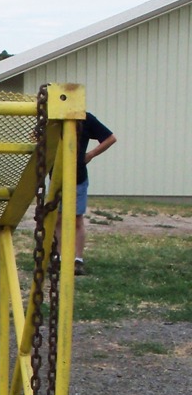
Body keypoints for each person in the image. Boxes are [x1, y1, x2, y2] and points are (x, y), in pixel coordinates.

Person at [58, 112, 117, 276]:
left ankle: (78, 259)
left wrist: (90, 154)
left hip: (78, 176)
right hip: (55, 176)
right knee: (57, 218)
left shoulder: (85, 118)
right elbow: (36, 137)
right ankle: (60, 257)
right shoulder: (51, 118)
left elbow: (110, 138)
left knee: (77, 219)